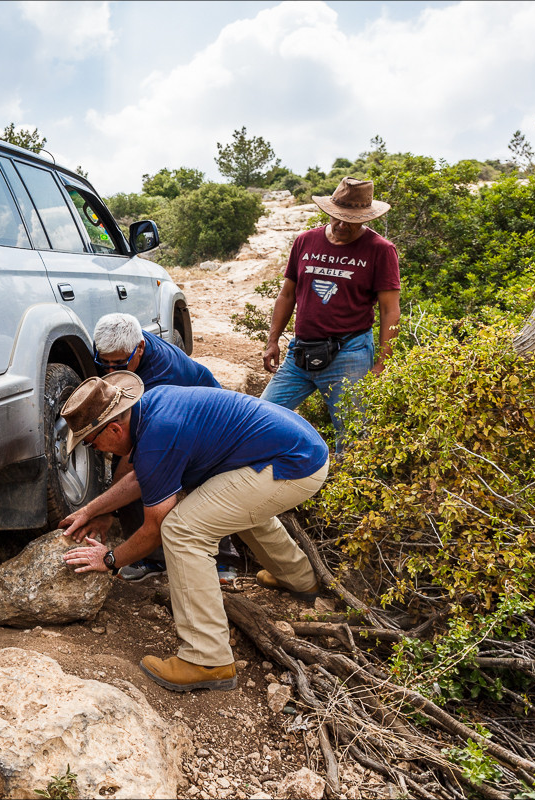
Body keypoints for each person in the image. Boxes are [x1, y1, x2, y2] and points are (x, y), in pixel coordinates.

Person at [58, 372, 329, 692]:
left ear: (115, 429)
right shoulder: (150, 411)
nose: (97, 450)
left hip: (295, 465)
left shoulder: (158, 434)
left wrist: (110, 558)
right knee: (231, 511)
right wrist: (93, 509)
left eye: (92, 442)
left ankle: (207, 658)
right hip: (299, 447)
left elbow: (156, 528)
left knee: (183, 530)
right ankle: (300, 579)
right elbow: (141, 477)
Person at [91, 314, 241, 585]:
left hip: (203, 421)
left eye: (118, 364)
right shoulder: (122, 344)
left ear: (139, 348)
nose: (111, 373)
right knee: (126, 471)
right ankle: (152, 558)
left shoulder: (162, 374)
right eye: (104, 363)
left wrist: (106, 509)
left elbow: (134, 455)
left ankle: (223, 559)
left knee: (204, 478)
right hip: (168, 418)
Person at [261, 177, 401, 446]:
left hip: (350, 354)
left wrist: (383, 362)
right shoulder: (305, 241)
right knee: (260, 415)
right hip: (299, 352)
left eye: (351, 220)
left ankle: (345, 485)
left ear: (365, 218)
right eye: (336, 217)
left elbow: (389, 310)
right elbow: (287, 294)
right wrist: (272, 341)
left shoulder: (381, 250)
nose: (341, 225)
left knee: (352, 436)